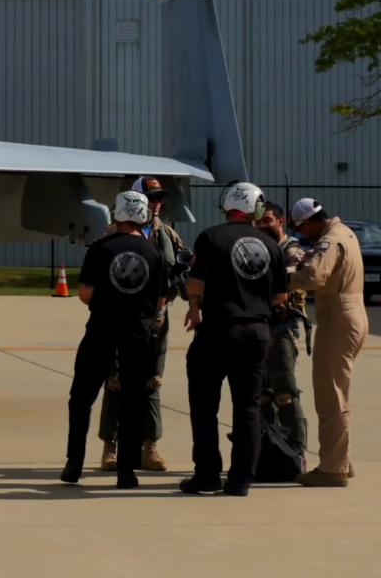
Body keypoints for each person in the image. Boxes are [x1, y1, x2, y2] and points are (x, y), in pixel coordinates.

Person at [179, 181, 288, 496]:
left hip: (218, 327)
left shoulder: (211, 237)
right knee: (248, 407)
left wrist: (196, 305)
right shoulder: (270, 245)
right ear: (257, 209)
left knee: (204, 407)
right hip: (256, 332)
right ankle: (241, 480)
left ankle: (207, 475)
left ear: (226, 205)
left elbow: (196, 285)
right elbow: (281, 296)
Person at [62, 191, 167, 489]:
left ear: (116, 213)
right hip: (138, 334)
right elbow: (160, 301)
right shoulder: (155, 253)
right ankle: (126, 471)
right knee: (133, 400)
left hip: (102, 329)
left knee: (82, 397)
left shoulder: (100, 248)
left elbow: (86, 294)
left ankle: (74, 462)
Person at [98, 176, 183, 472]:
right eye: (152, 198)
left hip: (155, 320)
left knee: (152, 381)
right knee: (115, 380)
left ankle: (150, 446)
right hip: (119, 318)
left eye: (160, 198)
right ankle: (110, 446)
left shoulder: (167, 235)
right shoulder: (111, 234)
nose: (157, 203)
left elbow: (178, 275)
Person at [289, 197, 368, 487]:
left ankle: (333, 468)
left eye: (301, 228)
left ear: (310, 221)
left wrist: (284, 277)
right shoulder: (345, 232)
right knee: (339, 392)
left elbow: (313, 277)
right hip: (353, 315)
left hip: (338, 319)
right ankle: (342, 460)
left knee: (330, 395)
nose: (301, 233)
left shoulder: (329, 241)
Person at [255, 201, 310, 455]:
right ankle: (267, 448)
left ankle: (297, 450)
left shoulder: (292, 251)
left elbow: (283, 287)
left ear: (281, 222)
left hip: (281, 332)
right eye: (258, 221)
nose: (262, 226)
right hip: (259, 330)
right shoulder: (258, 249)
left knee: (285, 394)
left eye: (267, 220)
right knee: (262, 396)